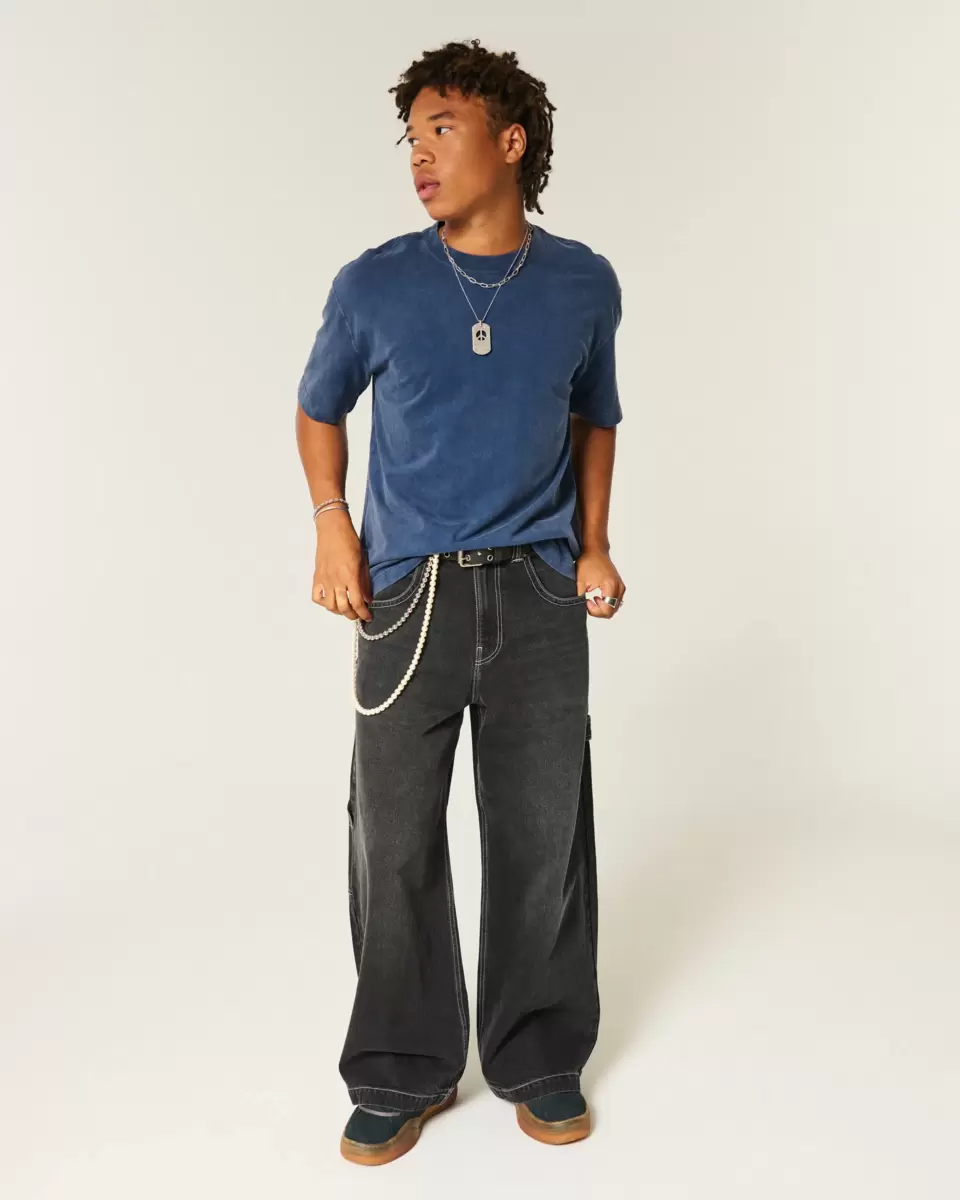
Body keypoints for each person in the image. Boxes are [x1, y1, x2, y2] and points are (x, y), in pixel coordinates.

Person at [295, 39, 626, 1166]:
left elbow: (596, 417)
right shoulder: (374, 284)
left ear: (510, 141)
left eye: (443, 130)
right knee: (392, 839)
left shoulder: (583, 283)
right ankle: (401, 1065)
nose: (421, 156)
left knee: (542, 833)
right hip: (409, 596)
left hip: (539, 591)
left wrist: (595, 546)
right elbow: (319, 406)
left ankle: (540, 1054)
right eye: (413, 136)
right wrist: (333, 523)